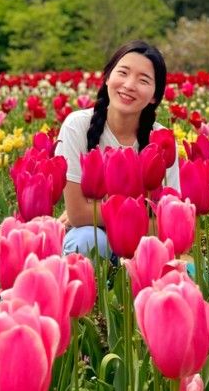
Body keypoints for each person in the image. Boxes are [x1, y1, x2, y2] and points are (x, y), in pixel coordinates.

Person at [56, 39, 180, 257]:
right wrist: (141, 215)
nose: (129, 85)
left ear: (154, 96)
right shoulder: (78, 126)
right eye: (123, 72)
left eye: (143, 80)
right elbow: (77, 216)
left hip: (139, 245)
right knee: (88, 240)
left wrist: (97, 212)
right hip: (91, 239)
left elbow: (168, 222)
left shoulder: (161, 140)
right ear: (107, 77)